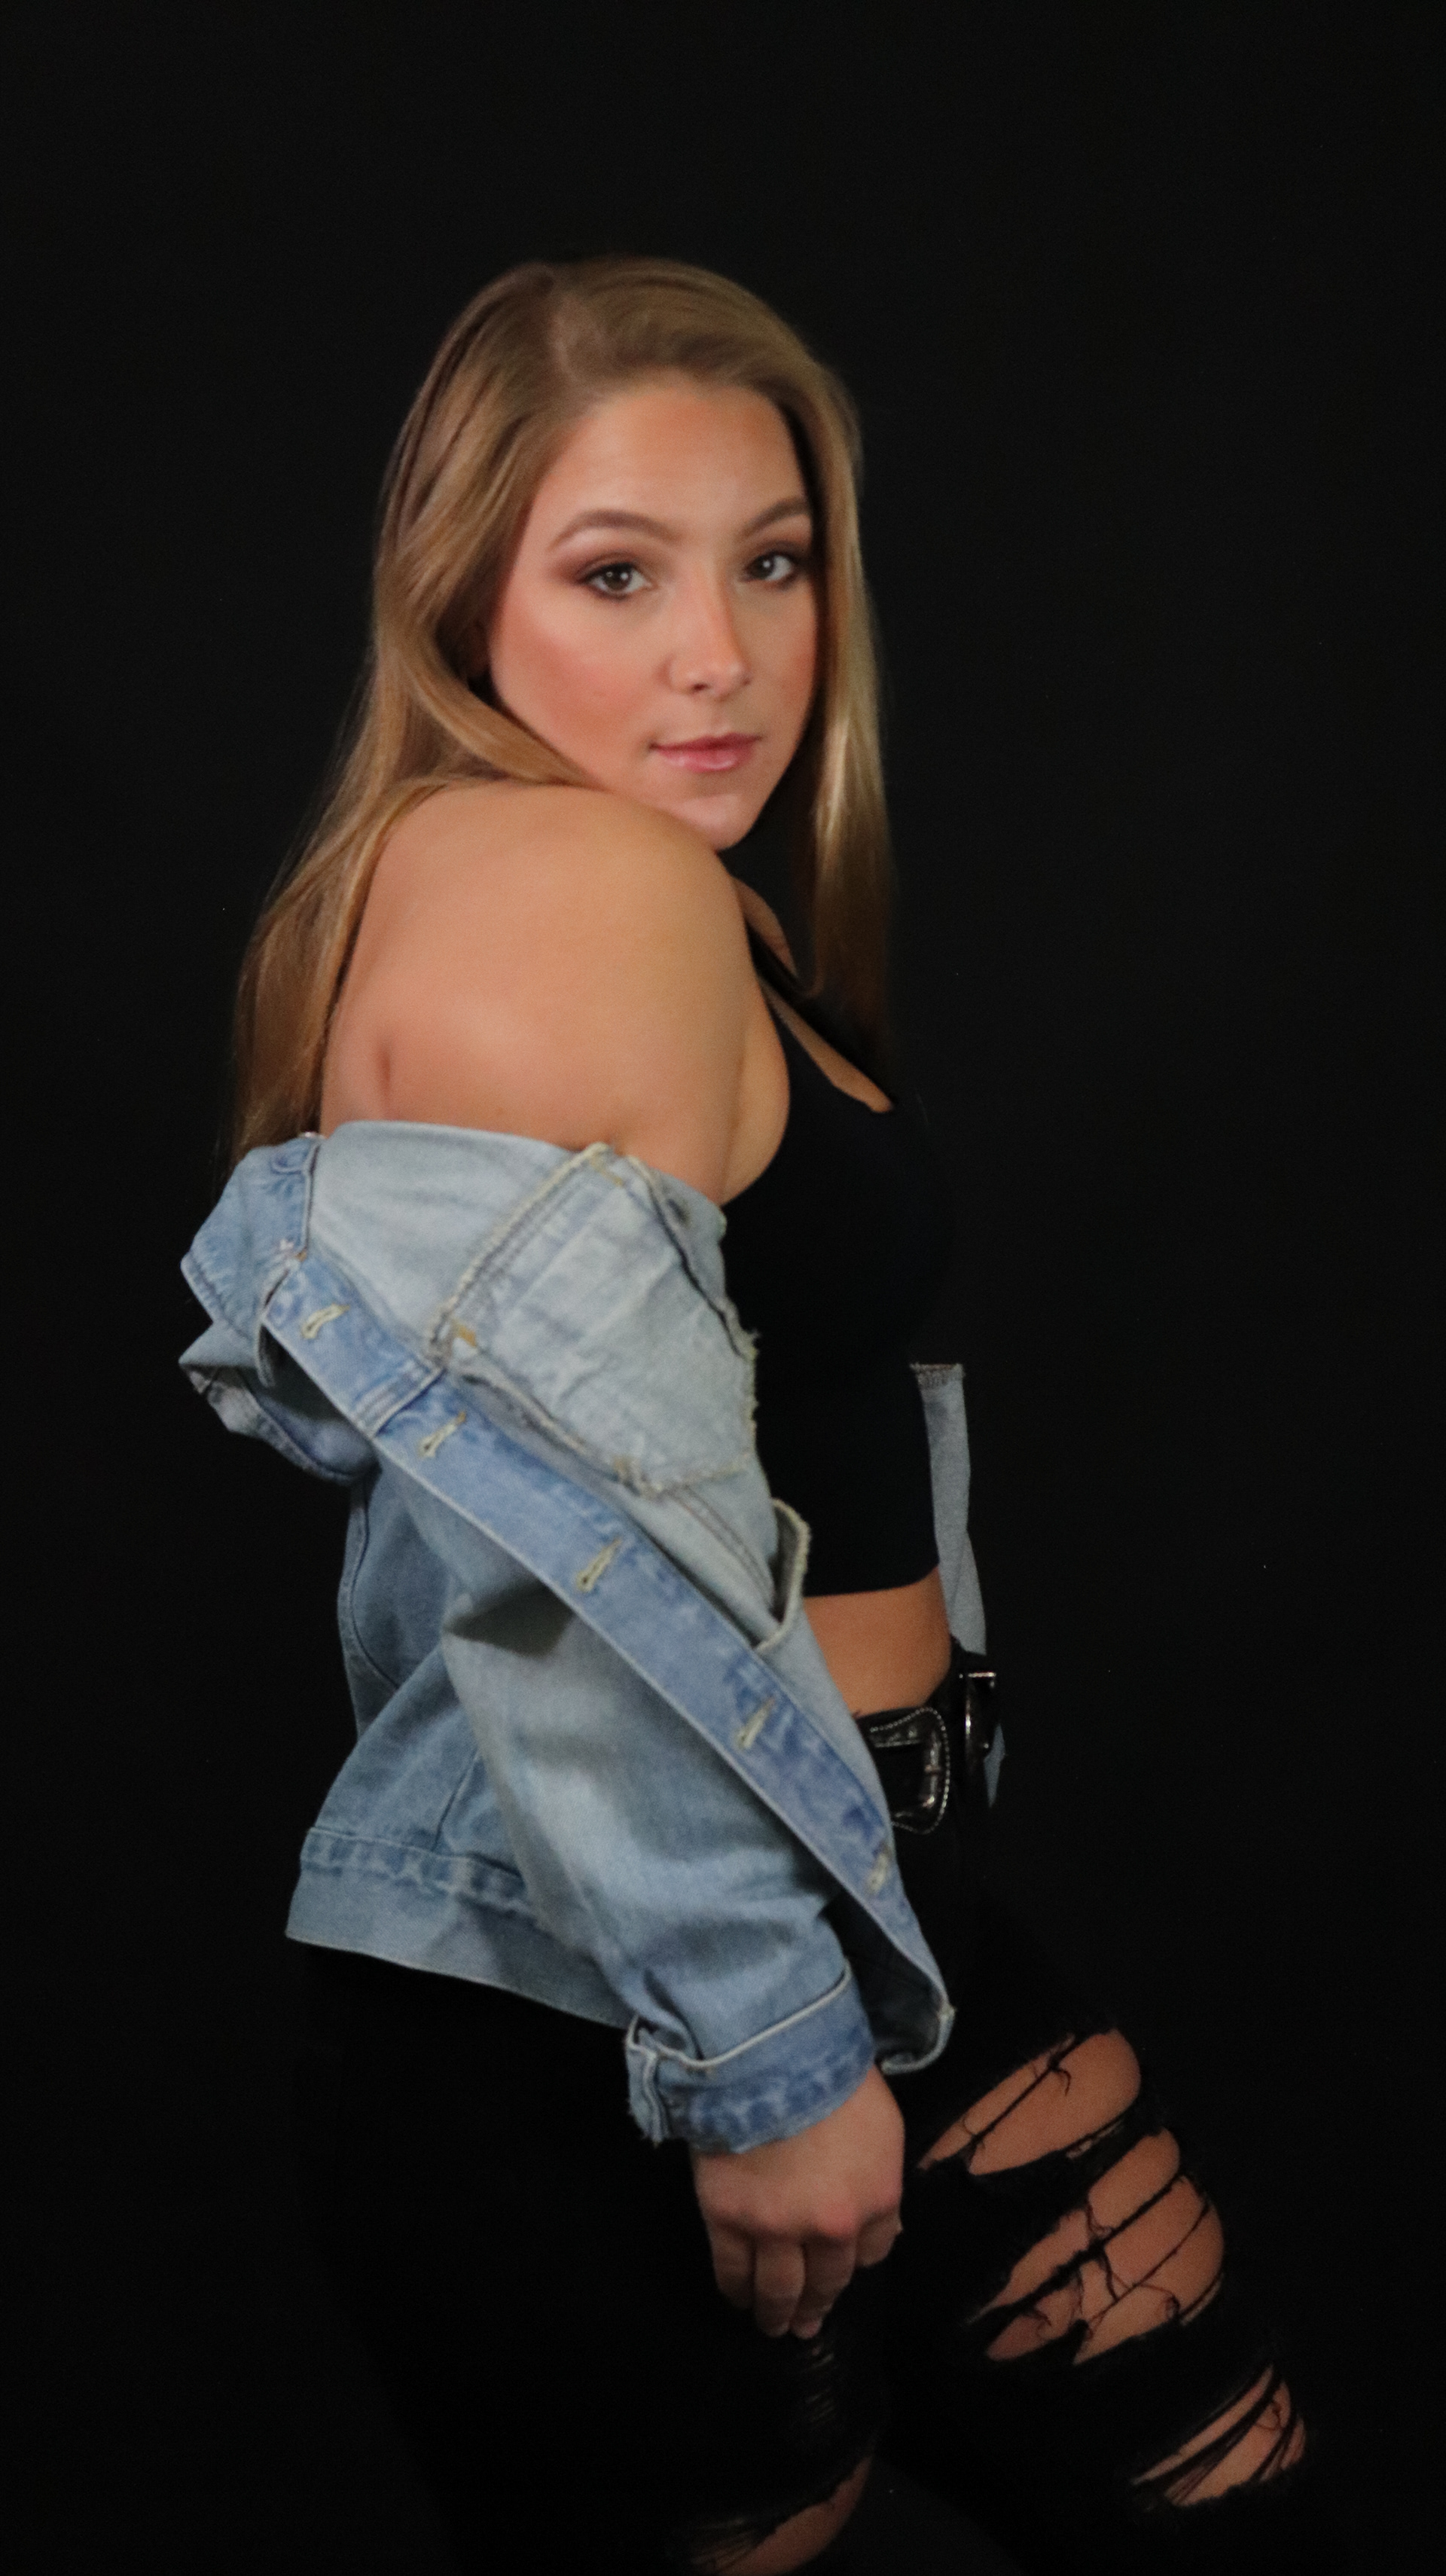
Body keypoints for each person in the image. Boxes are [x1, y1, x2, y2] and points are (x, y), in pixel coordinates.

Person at [182, 260, 1318, 2573]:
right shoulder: (575, 885)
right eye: (619, 574)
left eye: (773, 562)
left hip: (850, 1890)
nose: (722, 652)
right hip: (624, 1982)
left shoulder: (675, 898)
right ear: (462, 600)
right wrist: (768, 2049)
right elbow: (571, 1573)